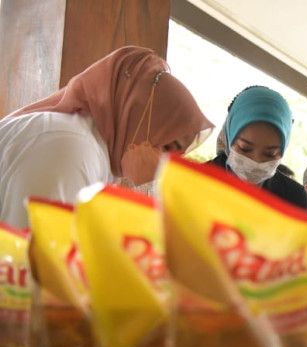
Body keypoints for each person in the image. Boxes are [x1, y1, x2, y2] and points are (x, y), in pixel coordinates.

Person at [0, 46, 212, 226]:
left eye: (177, 156)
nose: (164, 164)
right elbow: (32, 260)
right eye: (167, 147)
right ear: (135, 113)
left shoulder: (95, 153)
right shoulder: (71, 147)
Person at [208, 86, 307, 210]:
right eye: (244, 148)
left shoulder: (294, 199)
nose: (256, 161)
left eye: (270, 154)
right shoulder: (195, 182)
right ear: (229, 136)